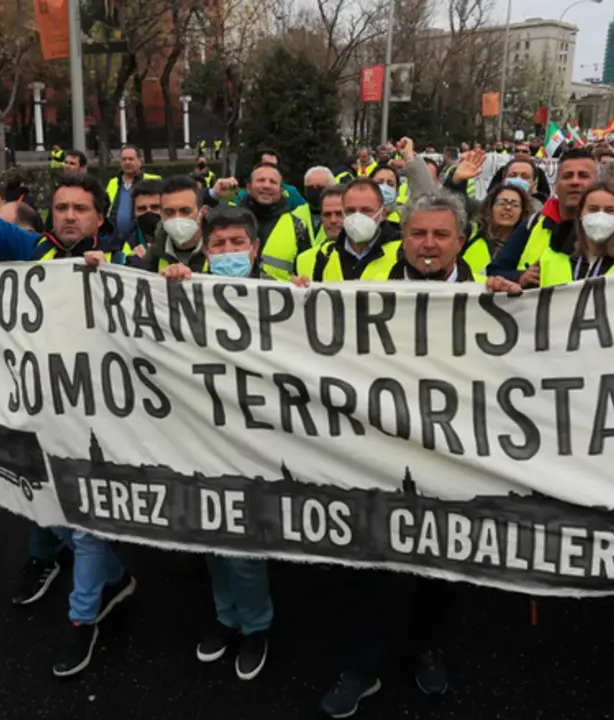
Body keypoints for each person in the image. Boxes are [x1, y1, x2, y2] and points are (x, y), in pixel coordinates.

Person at [0, 130, 136, 677]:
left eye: (81, 209)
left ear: (100, 218)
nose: (70, 216)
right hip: (42, 414)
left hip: (104, 420)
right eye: (62, 207)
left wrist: (126, 278)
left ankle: (82, 618)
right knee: (50, 510)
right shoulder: (32, 251)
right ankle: (117, 579)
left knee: (89, 521)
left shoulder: (125, 262)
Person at [313, 191, 479, 719]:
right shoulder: (366, 291)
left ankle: (428, 648)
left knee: (440, 569)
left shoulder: (491, 298)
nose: (428, 244)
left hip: (452, 460)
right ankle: (361, 667)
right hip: (377, 457)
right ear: (401, 237)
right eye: (417, 233)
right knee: (368, 570)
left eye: (440, 234)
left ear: (460, 241)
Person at [158, 206, 274, 679]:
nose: (228, 252)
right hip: (200, 438)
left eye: (237, 244)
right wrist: (168, 286)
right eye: (219, 245)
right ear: (205, 251)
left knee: (243, 550)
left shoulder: (281, 297)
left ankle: (256, 626)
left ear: (255, 248)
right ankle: (227, 618)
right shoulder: (187, 292)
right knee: (211, 537)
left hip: (255, 444)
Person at [491, 181, 614, 290]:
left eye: (609, 211)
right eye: (592, 209)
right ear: (580, 214)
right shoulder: (549, 258)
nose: (600, 216)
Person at [208, 163, 311, 281]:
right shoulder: (228, 218)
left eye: (273, 182)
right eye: (261, 180)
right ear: (248, 187)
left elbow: (306, 271)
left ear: (281, 190)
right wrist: (213, 195)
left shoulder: (297, 226)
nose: (266, 185)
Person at [294, 179, 399, 282]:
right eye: (350, 211)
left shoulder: (401, 253)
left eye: (366, 210)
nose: (357, 217)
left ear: (382, 214)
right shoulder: (323, 256)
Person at [130, 175, 209, 271]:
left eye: (185, 211)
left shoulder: (219, 250)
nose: (177, 218)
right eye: (169, 212)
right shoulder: (153, 255)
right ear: (161, 215)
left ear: (203, 212)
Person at [463, 183, 531, 275]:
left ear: (523, 211)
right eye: (502, 203)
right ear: (490, 207)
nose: (508, 207)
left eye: (515, 205)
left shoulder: (529, 241)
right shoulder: (472, 231)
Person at [106, 145, 161, 245]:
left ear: (140, 161)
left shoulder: (153, 180)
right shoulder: (113, 183)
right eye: (124, 159)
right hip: (114, 239)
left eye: (131, 159)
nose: (127, 162)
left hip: (141, 238)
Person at [303, 166, 335, 237]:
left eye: (319, 187)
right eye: (310, 187)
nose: (314, 191)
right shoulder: (294, 215)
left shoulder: (343, 214)